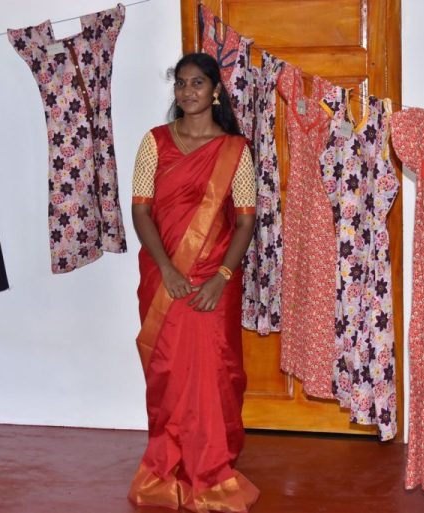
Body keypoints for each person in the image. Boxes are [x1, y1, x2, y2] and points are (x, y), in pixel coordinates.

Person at [127, 53, 259, 513]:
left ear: (215, 90)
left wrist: (221, 277)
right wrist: (166, 268)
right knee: (168, 374)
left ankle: (212, 470)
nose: (187, 91)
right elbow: (141, 211)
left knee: (216, 376)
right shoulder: (155, 142)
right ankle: (166, 467)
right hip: (164, 276)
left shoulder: (235, 150)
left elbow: (245, 221)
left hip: (213, 281)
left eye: (197, 83)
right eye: (181, 84)